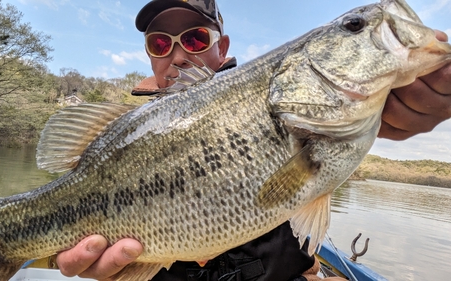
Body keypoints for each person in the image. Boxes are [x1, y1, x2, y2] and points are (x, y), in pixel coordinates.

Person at [55, 0, 451, 280]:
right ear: (150, 55)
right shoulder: (120, 134)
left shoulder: (278, 106)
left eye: (194, 39)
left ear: (221, 48)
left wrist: (423, 91)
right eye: (160, 44)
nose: (177, 56)